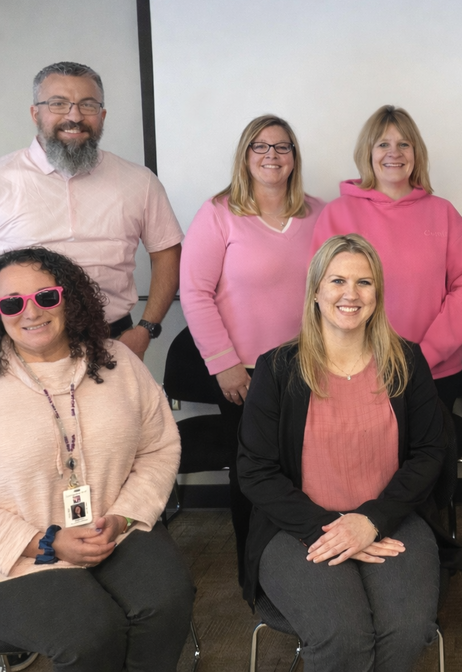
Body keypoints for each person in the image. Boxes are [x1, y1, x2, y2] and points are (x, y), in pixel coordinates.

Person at [237, 234, 453, 671]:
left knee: (407, 632)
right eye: (337, 281)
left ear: (378, 294)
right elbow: (255, 471)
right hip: (296, 527)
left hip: (394, 517)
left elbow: (430, 452)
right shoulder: (277, 369)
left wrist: (371, 520)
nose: (350, 294)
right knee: (344, 638)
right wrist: (330, 528)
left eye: (364, 282)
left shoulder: (406, 361)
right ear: (315, 291)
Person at [0, 248, 194, 671]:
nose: (30, 312)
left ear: (68, 299)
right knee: (89, 633)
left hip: (112, 527)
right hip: (16, 552)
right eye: (11, 302)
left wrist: (123, 517)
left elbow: (158, 447)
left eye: (45, 297)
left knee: (166, 602)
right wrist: (47, 542)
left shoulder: (118, 361)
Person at [180, 114, 324, 584]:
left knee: (310, 470)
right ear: (245, 155)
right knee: (254, 478)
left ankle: (310, 565)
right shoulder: (218, 213)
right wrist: (223, 368)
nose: (271, 156)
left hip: (310, 366)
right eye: (260, 147)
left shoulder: (320, 215)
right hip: (243, 374)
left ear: (294, 158)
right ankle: (255, 572)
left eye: (282, 147)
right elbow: (195, 292)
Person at [0, 62, 183, 359]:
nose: (74, 116)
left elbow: (167, 254)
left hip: (113, 344)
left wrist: (146, 329)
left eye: (87, 105)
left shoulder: (140, 181)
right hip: (19, 351)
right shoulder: (4, 178)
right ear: (36, 113)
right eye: (58, 104)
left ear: (102, 115)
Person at [312, 105, 462, 413]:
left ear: (416, 152)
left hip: (434, 371)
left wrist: (424, 356)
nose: (395, 152)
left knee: (428, 459)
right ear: (368, 152)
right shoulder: (337, 214)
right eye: (383, 144)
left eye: (404, 144)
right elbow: (325, 294)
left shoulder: (443, 213)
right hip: (358, 372)